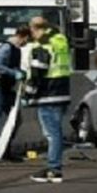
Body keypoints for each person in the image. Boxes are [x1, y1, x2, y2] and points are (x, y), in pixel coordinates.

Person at [24, 16, 72, 184]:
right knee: (56, 132)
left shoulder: (43, 45)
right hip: (62, 93)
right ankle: (55, 167)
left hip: (48, 95)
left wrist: (28, 94)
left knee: (52, 134)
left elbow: (38, 72)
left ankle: (54, 169)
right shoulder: (60, 40)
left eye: (32, 30)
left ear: (36, 29)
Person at [0, 25, 30, 160]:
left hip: (7, 88)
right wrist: (13, 73)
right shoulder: (6, 48)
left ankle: (6, 150)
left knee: (15, 120)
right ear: (23, 36)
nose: (26, 43)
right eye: (27, 40)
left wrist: (20, 72)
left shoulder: (17, 50)